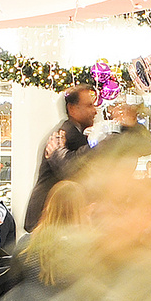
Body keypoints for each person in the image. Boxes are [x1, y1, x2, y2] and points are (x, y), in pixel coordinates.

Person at [25, 84, 99, 231]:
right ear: (72, 109)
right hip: (48, 219)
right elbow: (71, 171)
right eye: (89, 105)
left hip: (52, 218)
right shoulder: (67, 136)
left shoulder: (72, 134)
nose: (95, 111)